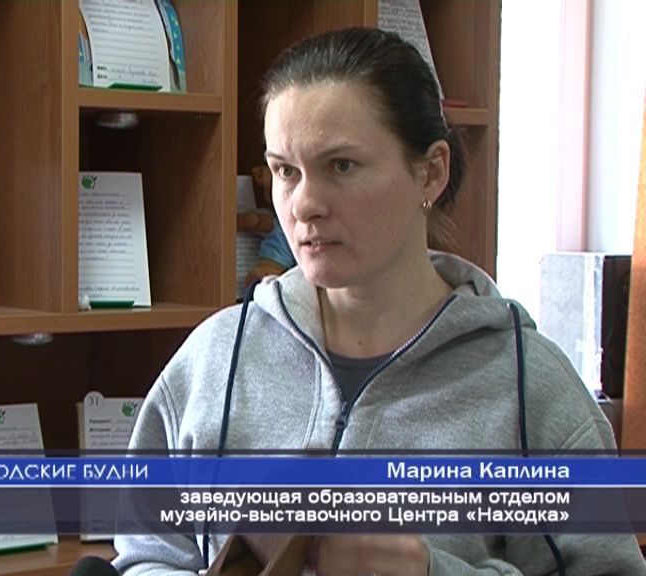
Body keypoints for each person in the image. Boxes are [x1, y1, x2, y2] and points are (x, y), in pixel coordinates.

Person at [113, 28, 646, 575]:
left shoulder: (529, 386)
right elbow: (143, 559)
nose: (304, 204)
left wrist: (430, 570)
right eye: (286, 171)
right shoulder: (215, 358)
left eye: (341, 166)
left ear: (431, 172)